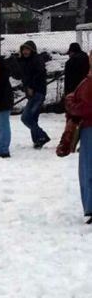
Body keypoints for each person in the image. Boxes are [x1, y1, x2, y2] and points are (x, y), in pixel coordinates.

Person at [64, 59, 92, 224]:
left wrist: (71, 104)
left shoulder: (88, 82)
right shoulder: (87, 81)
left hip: (89, 127)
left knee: (87, 169)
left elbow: (86, 107)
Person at [18, 41, 50, 148]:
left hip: (37, 92)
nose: (25, 52)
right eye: (23, 49)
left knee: (26, 117)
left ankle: (42, 136)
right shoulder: (26, 61)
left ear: (32, 50)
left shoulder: (36, 60)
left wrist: (31, 86)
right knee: (33, 117)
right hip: (33, 92)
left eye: (27, 49)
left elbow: (39, 74)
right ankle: (37, 140)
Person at [0, 46, 15, 159]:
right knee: (0, 124)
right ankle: (1, 148)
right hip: (3, 99)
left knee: (2, 124)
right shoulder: (1, 66)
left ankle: (3, 149)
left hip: (2, 99)